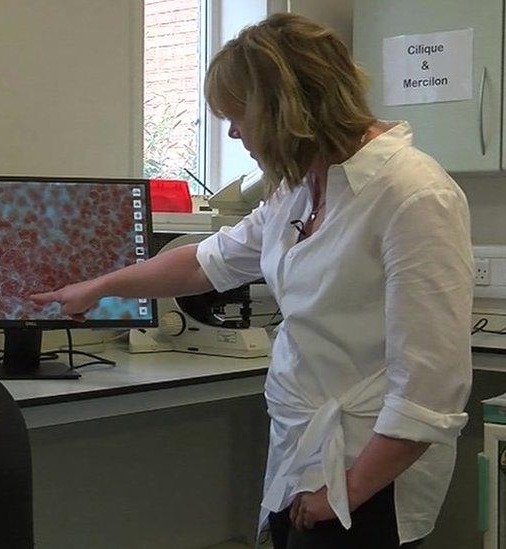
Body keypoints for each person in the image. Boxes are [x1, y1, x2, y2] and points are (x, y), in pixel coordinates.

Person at [31, 13, 472, 549]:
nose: (235, 132)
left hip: (371, 468)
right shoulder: (301, 187)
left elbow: (432, 389)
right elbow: (204, 263)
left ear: (284, 109)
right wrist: (98, 288)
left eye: (238, 116)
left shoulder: (413, 195)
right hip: (302, 451)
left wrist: (347, 491)